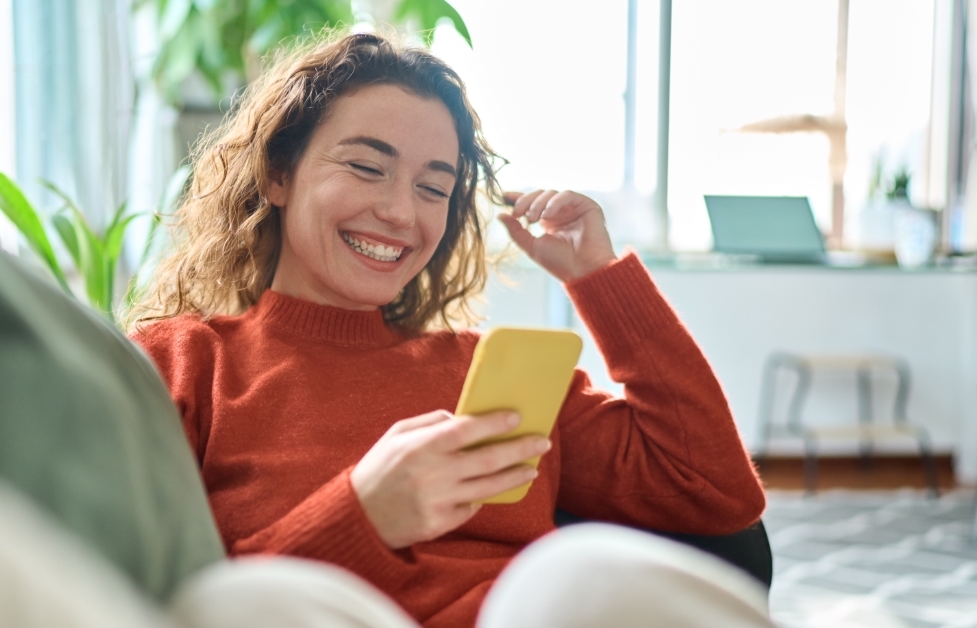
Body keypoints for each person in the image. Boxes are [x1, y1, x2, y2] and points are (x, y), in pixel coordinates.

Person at [130, 32, 771, 628]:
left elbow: (716, 494)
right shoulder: (183, 363)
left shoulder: (489, 376)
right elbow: (150, 598)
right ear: (278, 173)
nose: (400, 213)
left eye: (433, 188)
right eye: (366, 167)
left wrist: (599, 278)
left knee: (580, 573)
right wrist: (363, 516)